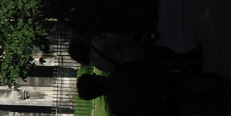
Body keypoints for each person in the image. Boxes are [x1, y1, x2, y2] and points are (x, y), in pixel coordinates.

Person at [76, 65, 231, 116]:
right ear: (96, 81)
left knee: (228, 107)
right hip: (176, 83)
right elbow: (152, 67)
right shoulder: (119, 73)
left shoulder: (117, 107)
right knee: (226, 87)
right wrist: (181, 67)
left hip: (176, 106)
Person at [68, 35, 201, 73]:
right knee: (164, 54)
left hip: (135, 67)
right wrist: (138, 39)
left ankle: (187, 66)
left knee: (163, 65)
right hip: (137, 53)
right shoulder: (99, 45)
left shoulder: (97, 65)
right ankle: (190, 57)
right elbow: (121, 40)